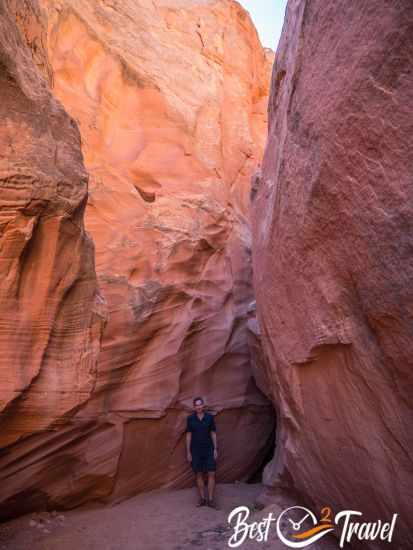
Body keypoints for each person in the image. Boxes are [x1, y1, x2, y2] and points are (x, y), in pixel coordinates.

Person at [186, 396, 219, 508]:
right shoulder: (190, 419)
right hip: (195, 450)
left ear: (203, 405)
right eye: (197, 405)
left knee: (211, 473)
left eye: (200, 404)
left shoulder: (209, 418)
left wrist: (215, 448)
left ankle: (210, 499)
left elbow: (213, 433)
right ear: (194, 407)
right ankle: (202, 499)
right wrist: (188, 452)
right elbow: (189, 435)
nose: (199, 407)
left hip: (209, 449)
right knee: (198, 474)